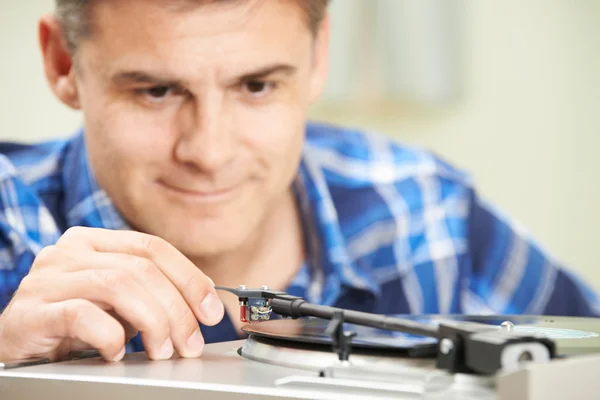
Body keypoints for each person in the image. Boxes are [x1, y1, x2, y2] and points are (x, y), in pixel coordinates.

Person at [0, 0, 597, 364]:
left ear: (318, 56)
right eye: (155, 90)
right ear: (62, 64)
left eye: (256, 86)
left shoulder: (424, 213)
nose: (209, 151)